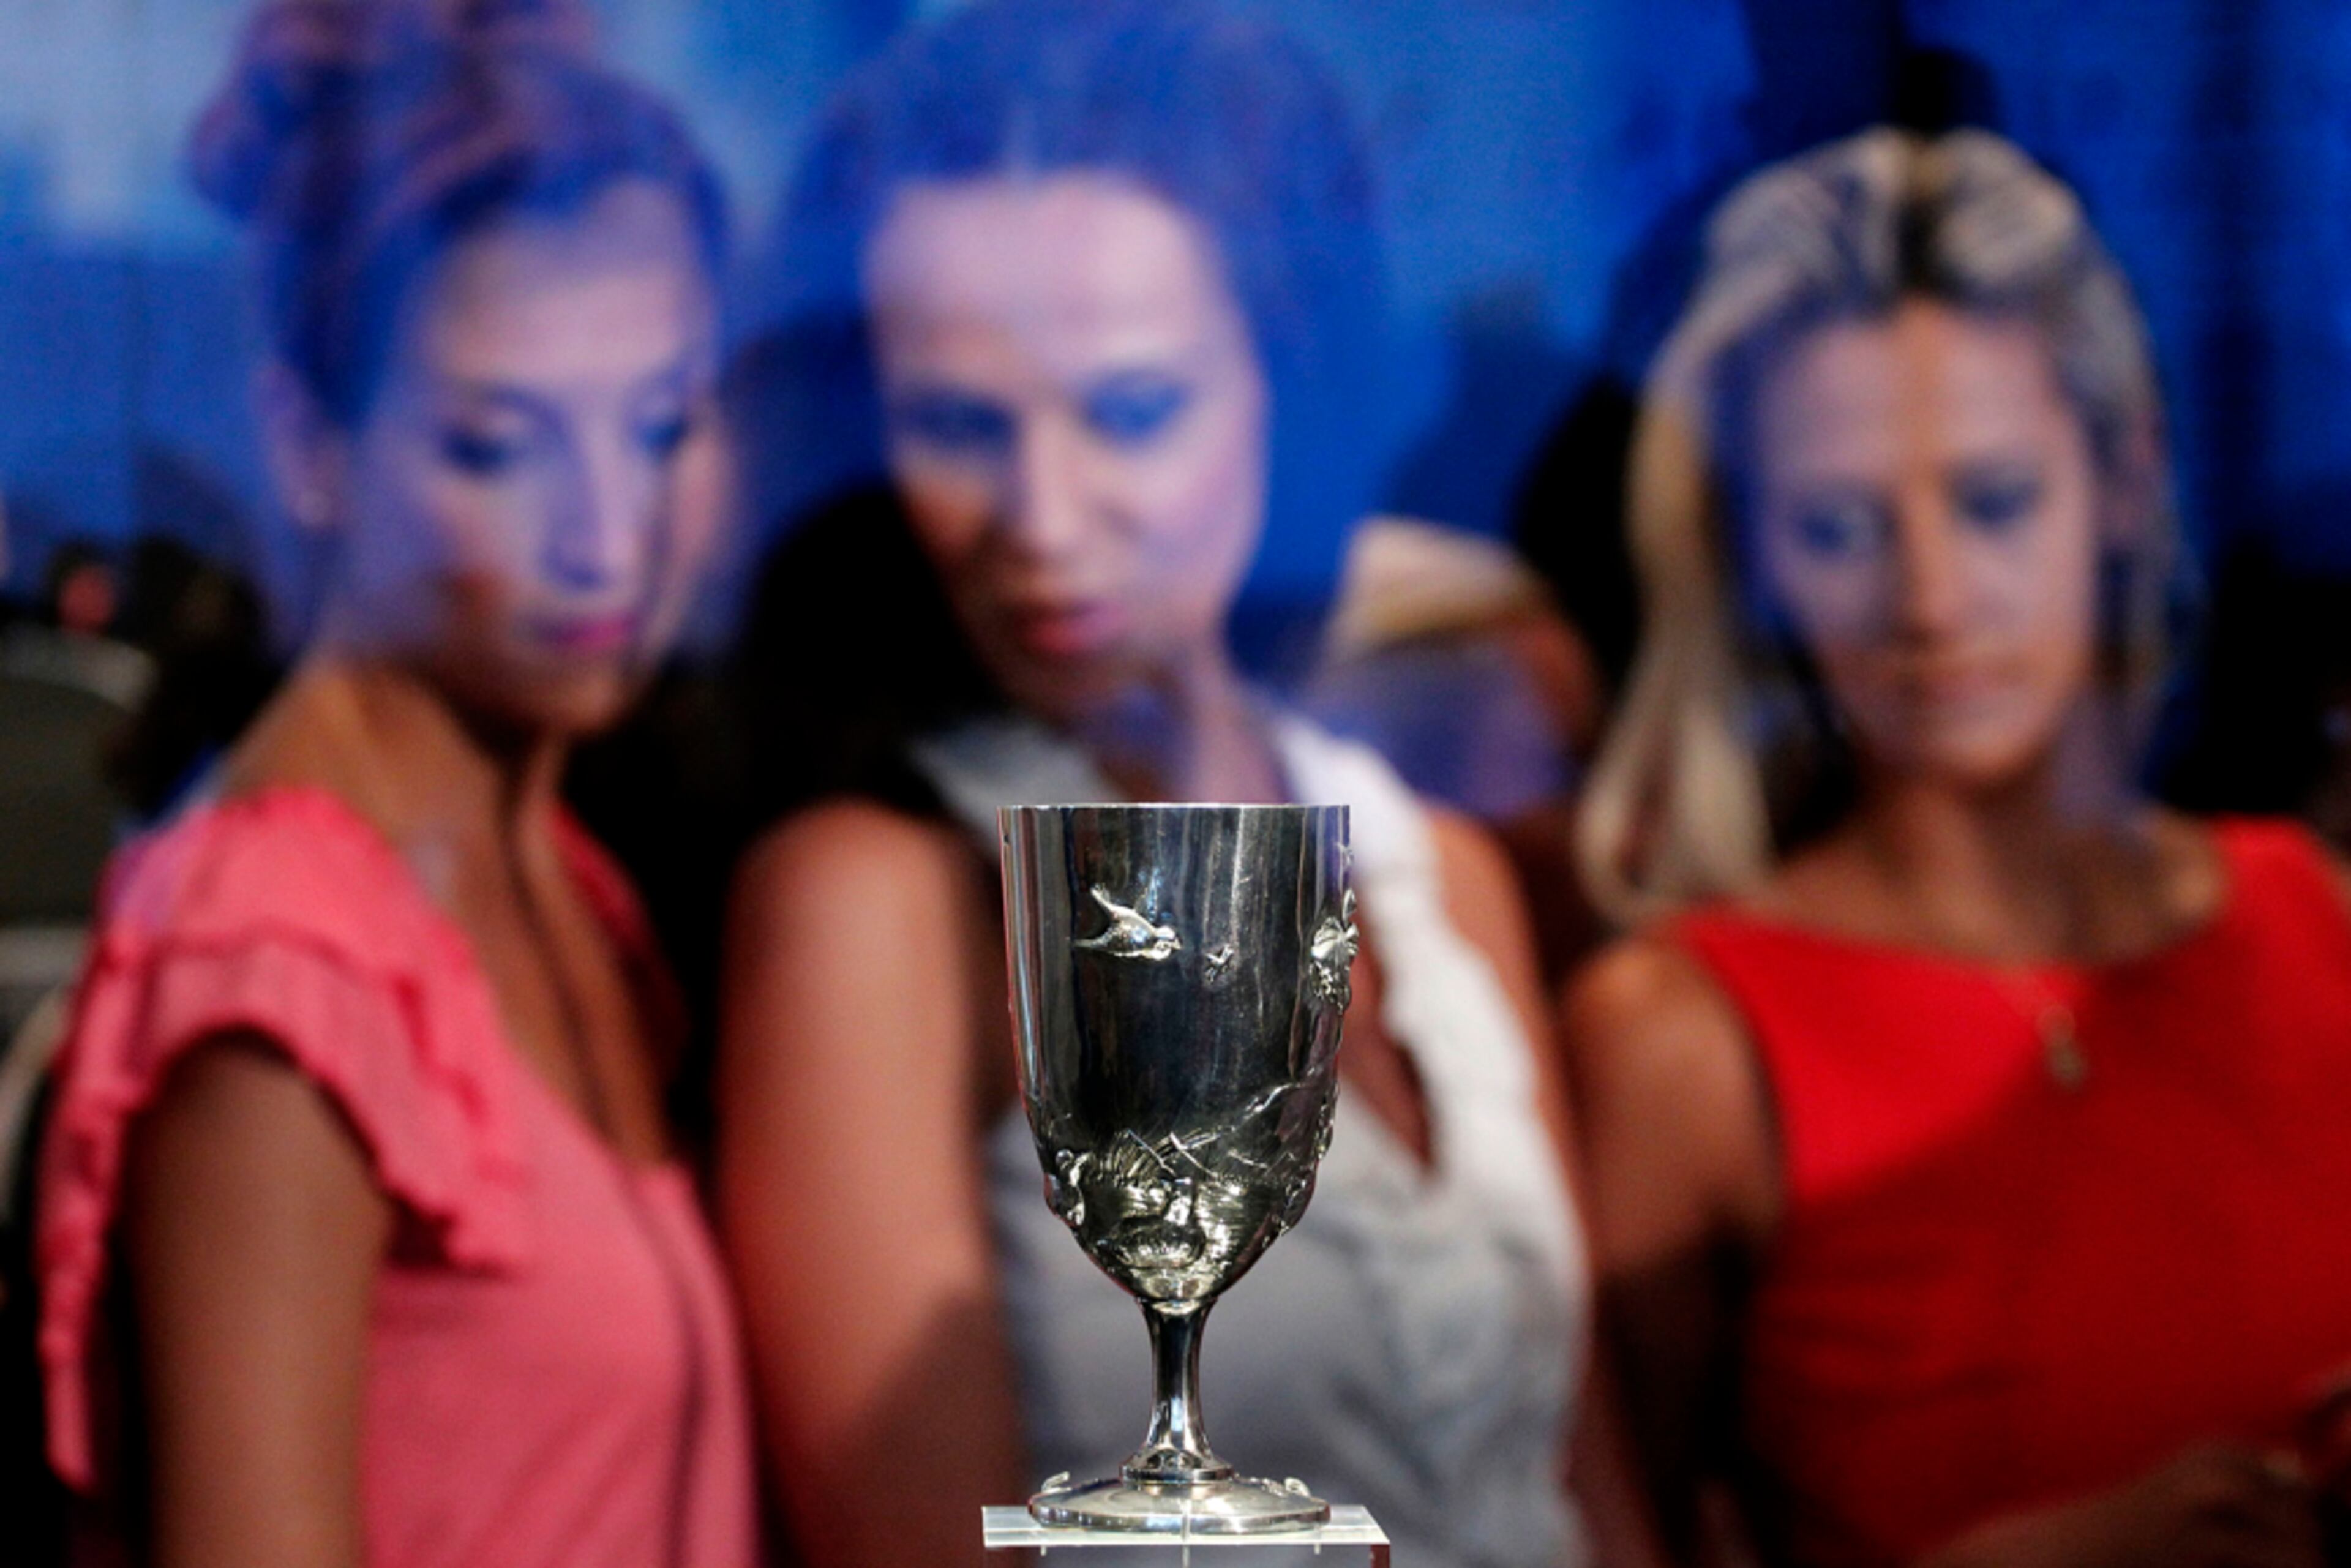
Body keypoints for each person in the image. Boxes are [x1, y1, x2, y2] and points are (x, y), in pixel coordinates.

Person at [715, 4, 1611, 1565]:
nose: (1040, 518)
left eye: (1131, 412)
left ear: (1288, 377)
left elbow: (1595, 1503)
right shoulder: (881, 902)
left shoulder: (1433, 871)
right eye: (956, 425)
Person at [1565, 126, 2351, 1567]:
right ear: (1755, 553)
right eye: (1840, 526)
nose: (1926, 600)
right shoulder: (1681, 1039)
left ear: (2124, 476)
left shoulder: (2314, 920)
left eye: (1993, 504)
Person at [32, 4, 756, 1564]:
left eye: (660, 424)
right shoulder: (282, 954)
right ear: (311, 443)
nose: (604, 530)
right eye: (501, 446)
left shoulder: (560, 871)